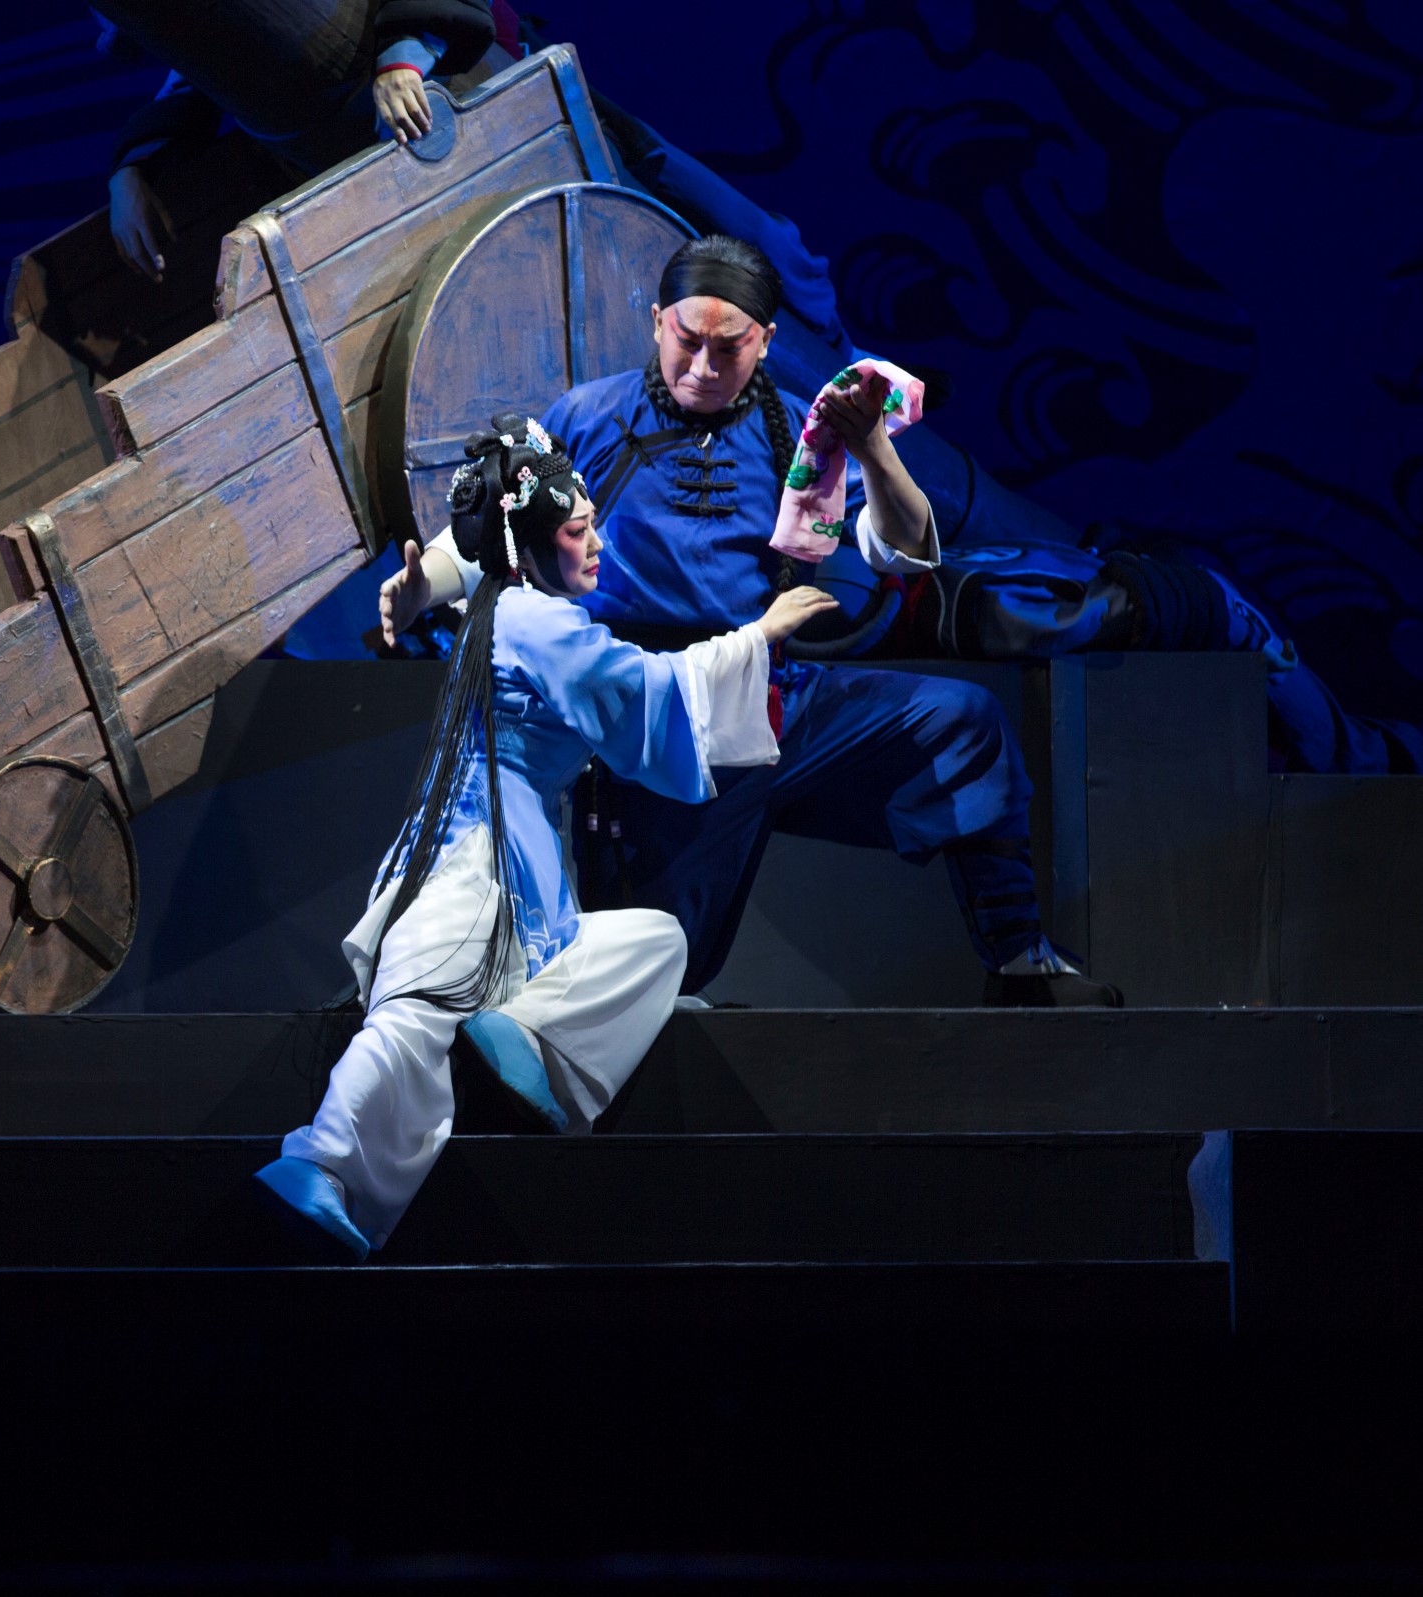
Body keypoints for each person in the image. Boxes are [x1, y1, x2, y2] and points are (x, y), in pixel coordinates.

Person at [386, 236, 1123, 1007]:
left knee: (961, 721)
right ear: (656, 322)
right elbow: (502, 527)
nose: (703, 366)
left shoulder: (804, 433)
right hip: (661, 711)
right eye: (687, 341)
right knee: (649, 979)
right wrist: (423, 585)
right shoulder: (591, 417)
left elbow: (904, 549)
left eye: (729, 347)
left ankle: (1020, 963)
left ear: (766, 341)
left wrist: (873, 447)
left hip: (776, 697)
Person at [256, 415, 836, 1259]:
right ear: (528, 546)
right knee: (415, 1013)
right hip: (474, 851)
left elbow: (479, 568)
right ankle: (320, 1165)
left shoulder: (500, 607)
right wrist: (760, 634)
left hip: (504, 852)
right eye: (577, 531)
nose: (597, 544)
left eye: (593, 524)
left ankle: (527, 1035)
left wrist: (424, 590)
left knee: (657, 941)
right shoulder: (537, 623)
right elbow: (644, 691)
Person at [103, 0, 508, 281]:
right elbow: (206, 62)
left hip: (461, 97)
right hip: (356, 178)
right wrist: (132, 169)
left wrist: (406, 53)